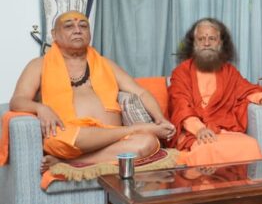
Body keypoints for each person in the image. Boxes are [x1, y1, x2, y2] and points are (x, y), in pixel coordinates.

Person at [10, 11, 175, 173]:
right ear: (54, 34)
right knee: (60, 138)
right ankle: (135, 129)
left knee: (147, 143)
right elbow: (17, 101)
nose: (77, 30)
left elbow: (141, 93)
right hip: (70, 138)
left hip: (112, 139)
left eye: (83, 26)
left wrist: (160, 119)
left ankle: (68, 163)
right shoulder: (38, 65)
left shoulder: (106, 64)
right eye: (69, 26)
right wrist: (41, 108)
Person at [168, 18, 262, 204]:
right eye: (201, 39)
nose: (207, 43)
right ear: (194, 44)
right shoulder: (181, 72)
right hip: (192, 132)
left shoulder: (228, 71)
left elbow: (245, 89)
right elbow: (180, 105)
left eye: (212, 38)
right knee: (205, 151)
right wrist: (199, 129)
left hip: (221, 128)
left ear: (220, 43)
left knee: (248, 145)